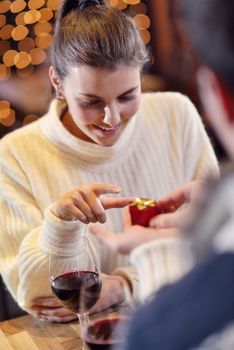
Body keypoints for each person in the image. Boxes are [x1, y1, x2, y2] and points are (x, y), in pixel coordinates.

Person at [0, 0, 218, 323]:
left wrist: (122, 286)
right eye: (91, 101)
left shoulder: (176, 115)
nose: (111, 118)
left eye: (128, 96)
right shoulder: (15, 155)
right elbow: (34, 296)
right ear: (58, 83)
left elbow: (217, 252)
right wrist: (59, 226)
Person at [108, 0, 234, 348]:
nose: (110, 118)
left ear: (217, 95)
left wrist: (156, 253)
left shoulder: (160, 329)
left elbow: (160, 335)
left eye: (127, 96)